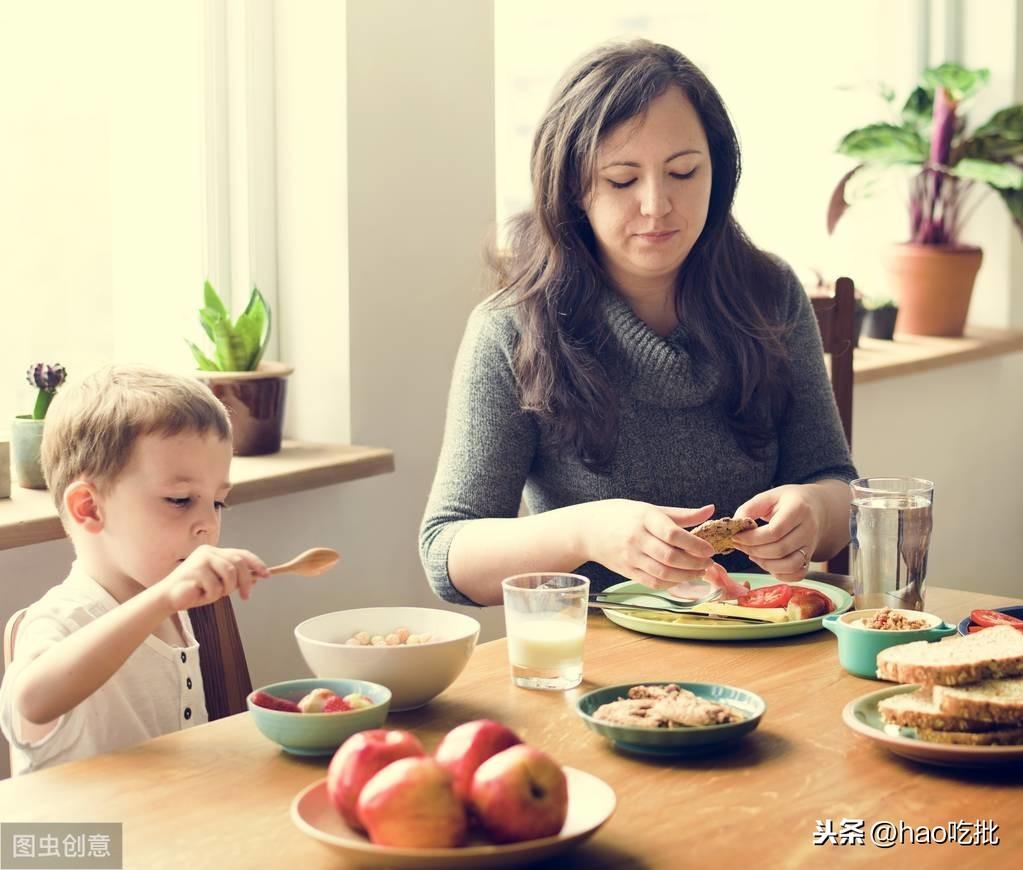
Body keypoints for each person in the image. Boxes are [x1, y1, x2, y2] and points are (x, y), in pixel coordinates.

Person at [419, 40, 857, 607]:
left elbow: (837, 484)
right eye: (622, 180)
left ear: (718, 171)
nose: (657, 204)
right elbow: (447, 552)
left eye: (683, 172)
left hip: (767, 634)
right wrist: (584, 533)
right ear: (572, 187)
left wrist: (815, 510)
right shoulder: (515, 327)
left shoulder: (769, 294)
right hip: (597, 651)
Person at [0, 366, 269, 775]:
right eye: (180, 500)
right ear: (89, 508)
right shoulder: (60, 619)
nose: (209, 524)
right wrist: (161, 600)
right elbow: (31, 701)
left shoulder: (176, 610)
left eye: (218, 502)